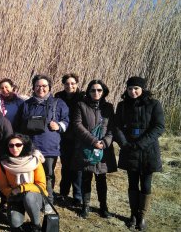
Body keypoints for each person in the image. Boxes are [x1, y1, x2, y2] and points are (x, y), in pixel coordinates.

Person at [114, 76, 164, 231]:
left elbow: (159, 127)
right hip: (129, 150)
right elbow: (116, 126)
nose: (133, 92)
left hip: (148, 151)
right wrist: (124, 143)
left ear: (142, 89)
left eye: (136, 88)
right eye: (130, 89)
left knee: (146, 185)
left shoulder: (154, 104)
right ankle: (133, 214)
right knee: (132, 183)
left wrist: (141, 144)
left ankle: (142, 216)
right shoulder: (122, 106)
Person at [15, 74, 69, 207]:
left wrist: (60, 126)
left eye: (44, 86)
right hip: (30, 147)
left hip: (49, 147)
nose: (41, 88)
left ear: (49, 87)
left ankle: (48, 202)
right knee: (29, 175)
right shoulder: (26, 104)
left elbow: (67, 120)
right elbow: (18, 125)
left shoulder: (58, 103)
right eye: (37, 86)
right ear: (33, 87)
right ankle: (31, 202)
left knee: (47, 176)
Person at [72, 79, 117, 219]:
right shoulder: (81, 105)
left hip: (103, 148)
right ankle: (85, 206)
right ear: (88, 91)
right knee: (86, 177)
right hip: (87, 147)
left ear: (103, 92)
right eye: (93, 90)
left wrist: (105, 142)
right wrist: (93, 141)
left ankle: (103, 207)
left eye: (99, 90)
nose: (96, 92)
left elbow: (112, 127)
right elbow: (77, 125)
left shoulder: (109, 107)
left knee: (101, 178)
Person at [0, 134, 47, 232]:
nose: (14, 148)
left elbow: (41, 185)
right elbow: (3, 186)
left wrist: (22, 188)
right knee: (15, 224)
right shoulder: (3, 164)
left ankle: (36, 225)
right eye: (11, 145)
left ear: (24, 145)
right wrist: (11, 193)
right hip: (15, 196)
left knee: (29, 197)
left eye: (18, 145)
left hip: (34, 195)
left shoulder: (34, 160)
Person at [54, 73, 84, 206]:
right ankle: (63, 193)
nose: (69, 86)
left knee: (77, 168)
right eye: (67, 83)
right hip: (64, 136)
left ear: (77, 84)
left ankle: (77, 196)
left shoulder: (83, 97)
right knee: (65, 166)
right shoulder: (58, 97)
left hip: (79, 137)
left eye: (72, 83)